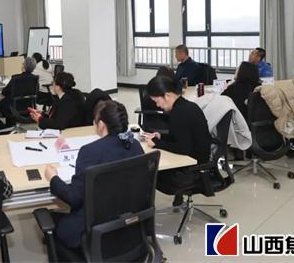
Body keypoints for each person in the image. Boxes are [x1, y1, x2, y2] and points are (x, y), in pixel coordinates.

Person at [44, 100, 143, 249]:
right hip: (129, 225)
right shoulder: (135, 145)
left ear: (101, 124)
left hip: (94, 229)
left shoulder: (90, 151)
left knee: (57, 222)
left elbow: (74, 198)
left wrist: (53, 178)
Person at [143, 76, 212, 205]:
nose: (157, 105)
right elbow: (181, 137)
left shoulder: (178, 113)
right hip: (201, 162)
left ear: (167, 96)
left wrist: (157, 144)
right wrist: (161, 137)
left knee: (147, 173)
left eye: (157, 101)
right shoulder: (187, 106)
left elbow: (183, 148)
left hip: (191, 171)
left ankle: (146, 213)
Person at [0, 57, 38, 131]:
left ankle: (2, 129)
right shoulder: (35, 79)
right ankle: (8, 127)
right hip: (28, 108)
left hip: (12, 108)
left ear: (24, 66)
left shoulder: (16, 78)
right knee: (9, 105)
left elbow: (4, 92)